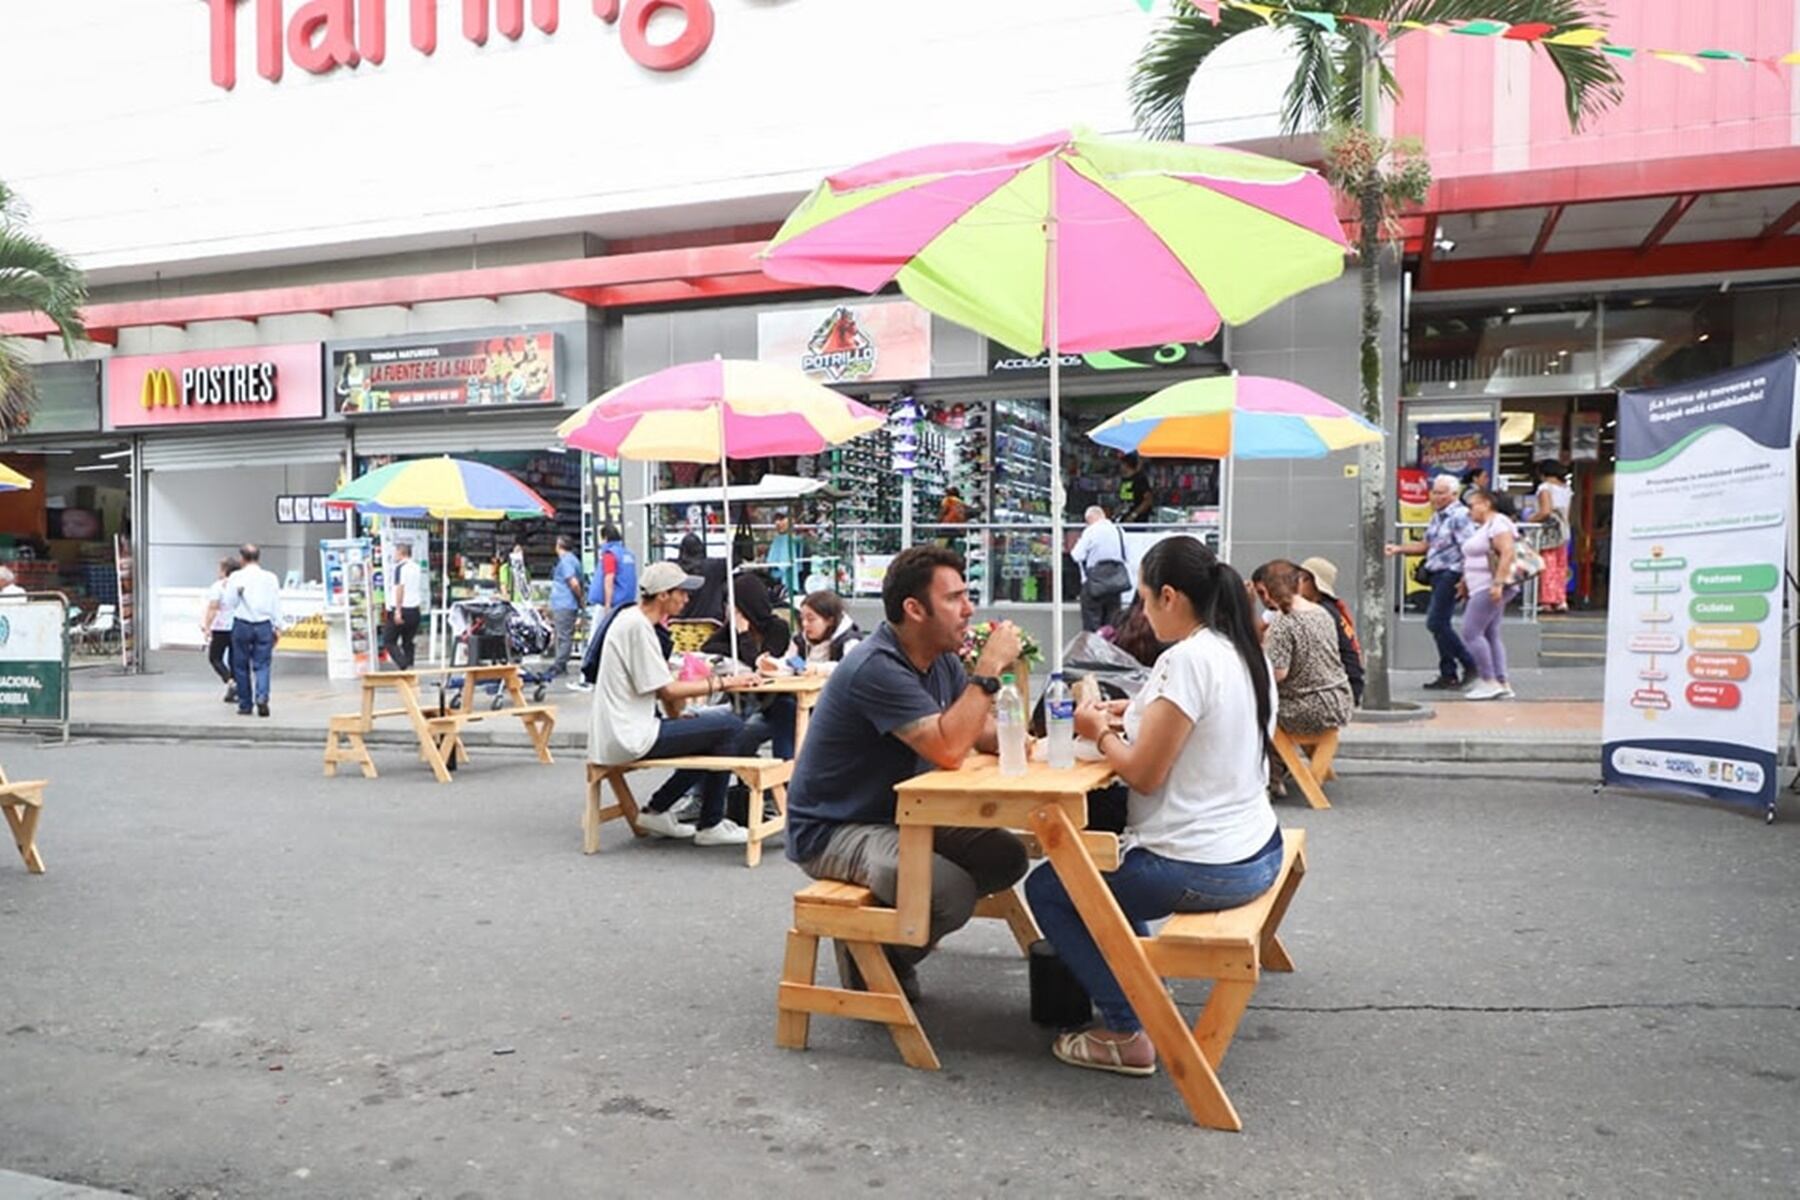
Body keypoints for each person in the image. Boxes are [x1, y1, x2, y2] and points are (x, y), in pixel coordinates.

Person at [1026, 536, 1281, 1077]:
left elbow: (1143, 771)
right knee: (1107, 868)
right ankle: (1139, 985)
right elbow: (1196, 729)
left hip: (1202, 864)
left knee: (1051, 885)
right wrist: (1134, 710)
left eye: (1143, 598)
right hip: (1258, 849)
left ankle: (1126, 1028)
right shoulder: (1240, 651)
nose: (1141, 610)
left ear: (1169, 596)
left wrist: (1098, 731)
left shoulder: (1186, 658)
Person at [786, 546, 1030, 1001]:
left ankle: (890, 930)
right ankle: (873, 958)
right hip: (835, 826)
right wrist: (989, 669)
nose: (970, 608)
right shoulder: (875, 666)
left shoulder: (938, 659)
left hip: (902, 814)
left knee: (1006, 856)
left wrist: (1031, 735)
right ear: (914, 610)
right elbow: (949, 747)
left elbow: (976, 730)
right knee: (948, 892)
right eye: (955, 598)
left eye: (966, 595)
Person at [589, 560, 765, 847]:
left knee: (710, 731)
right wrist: (725, 683)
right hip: (630, 736)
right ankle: (710, 823)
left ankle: (661, 809)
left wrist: (681, 716)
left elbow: (661, 691)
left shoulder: (633, 621)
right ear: (662, 595)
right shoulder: (638, 627)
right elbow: (667, 690)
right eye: (681, 593)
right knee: (731, 725)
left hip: (623, 731)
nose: (686, 599)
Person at [1383, 474, 1478, 691]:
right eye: (1434, 492)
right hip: (1437, 574)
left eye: (1441, 492)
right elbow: (1427, 545)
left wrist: (1465, 579)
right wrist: (1398, 549)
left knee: (1435, 622)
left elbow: (1470, 550)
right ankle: (1449, 673)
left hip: (1451, 575)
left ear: (1454, 494)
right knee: (1439, 625)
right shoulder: (1438, 516)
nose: (1435, 497)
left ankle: (1470, 663)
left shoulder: (1460, 516)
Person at [1253, 560, 1353, 737]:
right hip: (1340, 701)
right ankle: (1285, 764)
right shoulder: (1320, 612)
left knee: (1251, 710)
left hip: (1306, 708)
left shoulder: (1283, 621)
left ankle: (1274, 763)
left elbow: (1277, 673)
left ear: (1269, 590)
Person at [1459, 489, 1519, 701]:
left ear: (1485, 504)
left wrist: (1498, 583)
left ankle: (1488, 680)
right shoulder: (1488, 526)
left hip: (1489, 586)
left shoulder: (1498, 524)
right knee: (1490, 633)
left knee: (1471, 632)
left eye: (1472, 505)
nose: (1470, 511)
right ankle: (1501, 681)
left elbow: (1507, 552)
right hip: (1483, 586)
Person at [224, 543, 286, 718]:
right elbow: (276, 603)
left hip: (242, 624)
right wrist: (278, 625)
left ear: (242, 558)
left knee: (241, 666)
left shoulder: (236, 577)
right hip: (264, 625)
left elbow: (230, 603)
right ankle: (262, 697)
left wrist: (238, 593)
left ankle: (245, 704)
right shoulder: (270, 577)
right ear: (259, 557)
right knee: (263, 664)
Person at [1297, 556, 1363, 706]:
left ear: (1316, 584)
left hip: (1338, 687)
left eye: (1303, 578)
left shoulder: (1321, 613)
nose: (1297, 582)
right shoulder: (1328, 608)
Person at [763, 589, 863, 676]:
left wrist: (817, 669)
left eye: (811, 619)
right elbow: (793, 663)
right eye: (802, 619)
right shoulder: (800, 641)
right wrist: (773, 665)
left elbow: (849, 669)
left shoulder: (848, 641)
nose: (805, 624)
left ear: (830, 621)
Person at [1070, 505, 1130, 633]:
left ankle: (1094, 652)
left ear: (1089, 519)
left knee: (1092, 625)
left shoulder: (1091, 531)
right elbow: (1127, 555)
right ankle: (1110, 651)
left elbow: (1076, 555)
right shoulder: (1119, 531)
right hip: (1115, 584)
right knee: (1112, 625)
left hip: (1095, 584)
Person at [1535, 462, 1573, 613]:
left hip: (1549, 531)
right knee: (1561, 566)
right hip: (1564, 529)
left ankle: (1547, 601)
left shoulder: (1545, 488)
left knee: (1547, 565)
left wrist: (1529, 520)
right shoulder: (1567, 489)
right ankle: (1561, 600)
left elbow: (1545, 511)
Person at [201, 556, 240, 704]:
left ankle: (230, 681)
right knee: (234, 659)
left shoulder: (218, 586)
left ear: (225, 570)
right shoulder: (240, 586)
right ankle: (235, 690)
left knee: (215, 657)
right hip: (237, 625)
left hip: (221, 626)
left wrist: (207, 626)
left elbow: (213, 607)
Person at [549, 535, 585, 687]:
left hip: (565, 603)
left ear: (559, 546)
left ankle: (559, 664)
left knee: (563, 635)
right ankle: (560, 663)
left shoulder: (567, 561)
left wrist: (580, 599)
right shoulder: (573, 560)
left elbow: (574, 583)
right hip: (564, 603)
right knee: (562, 634)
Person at [384, 540, 423, 671]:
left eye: (395, 552)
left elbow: (400, 588)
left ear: (401, 553)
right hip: (414, 609)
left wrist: (397, 610)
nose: (394, 555)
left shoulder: (400, 568)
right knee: (408, 640)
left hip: (402, 608)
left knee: (389, 640)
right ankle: (410, 664)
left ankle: (403, 663)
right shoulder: (417, 567)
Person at [676, 532, 728, 624]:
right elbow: (737, 558)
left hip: (677, 628)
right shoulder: (715, 566)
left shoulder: (672, 568)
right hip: (712, 626)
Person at [588, 523, 638, 613]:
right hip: (628, 602)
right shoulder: (628, 554)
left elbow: (609, 579)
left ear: (605, 538)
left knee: (599, 627)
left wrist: (607, 604)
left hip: (614, 603)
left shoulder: (610, 554)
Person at [767, 510, 805, 600]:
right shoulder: (779, 539)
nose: (777, 523)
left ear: (792, 520)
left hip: (787, 584)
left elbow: (782, 565)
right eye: (776, 520)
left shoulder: (792, 539)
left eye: (781, 519)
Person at [1117, 453, 1154, 524]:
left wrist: (1134, 514)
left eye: (1122, 464)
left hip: (1138, 520)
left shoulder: (1139, 479)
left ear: (1126, 465)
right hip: (1124, 518)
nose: (1120, 466)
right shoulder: (1124, 480)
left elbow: (1148, 500)